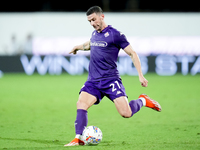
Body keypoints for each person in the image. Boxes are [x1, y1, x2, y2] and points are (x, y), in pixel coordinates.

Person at [64, 6, 162, 146]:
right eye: (89, 21)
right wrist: (77, 47)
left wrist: (140, 75)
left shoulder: (116, 35)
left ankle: (143, 101)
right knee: (81, 103)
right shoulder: (94, 34)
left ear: (102, 17)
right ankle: (78, 138)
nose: (92, 23)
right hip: (93, 81)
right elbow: (91, 44)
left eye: (94, 19)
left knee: (126, 113)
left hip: (111, 81)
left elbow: (132, 53)